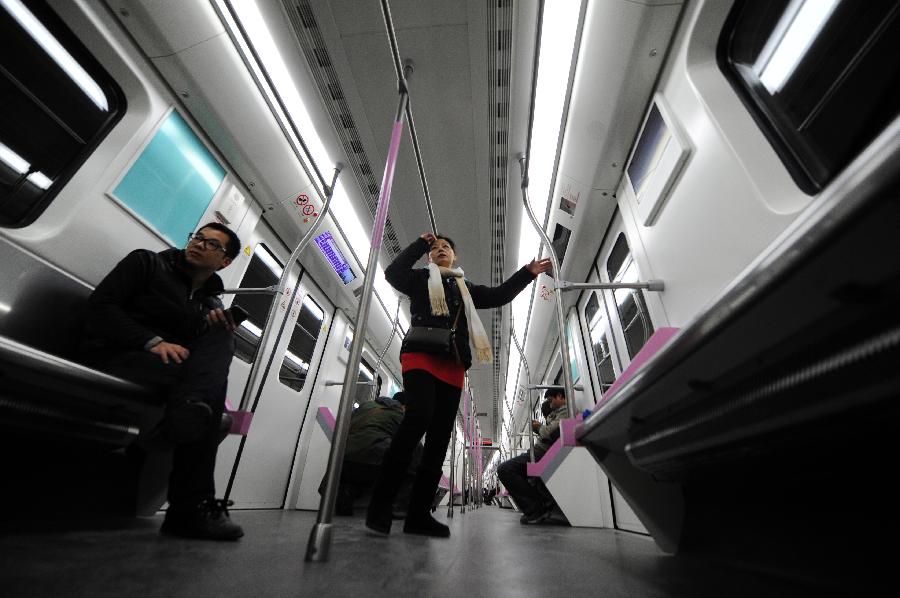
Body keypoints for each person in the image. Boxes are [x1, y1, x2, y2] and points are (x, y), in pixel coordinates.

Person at [366, 232, 552, 537]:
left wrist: (526, 274)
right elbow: (392, 274)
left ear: (455, 257)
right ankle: (380, 507)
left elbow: (498, 296)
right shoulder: (418, 280)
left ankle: (417, 516)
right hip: (420, 356)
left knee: (439, 439)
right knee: (417, 419)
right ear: (429, 256)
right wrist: (419, 244)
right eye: (436, 248)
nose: (441, 250)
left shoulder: (466, 288)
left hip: (452, 364)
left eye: (446, 248)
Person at [80, 223, 244, 541]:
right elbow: (100, 308)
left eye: (211, 243)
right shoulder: (147, 263)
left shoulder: (210, 304)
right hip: (122, 353)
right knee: (205, 401)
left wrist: (210, 328)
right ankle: (189, 508)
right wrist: (151, 341)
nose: (199, 243)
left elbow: (196, 353)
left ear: (225, 261)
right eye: (197, 237)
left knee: (221, 340)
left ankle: (187, 413)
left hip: (173, 373)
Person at [325, 390, 422, 517]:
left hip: (342, 460)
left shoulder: (365, 406)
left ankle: (347, 494)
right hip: (372, 463)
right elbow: (413, 444)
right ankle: (398, 505)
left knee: (363, 458)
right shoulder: (400, 415)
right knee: (413, 456)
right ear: (404, 406)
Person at [497, 388, 567, 524]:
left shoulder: (565, 411)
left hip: (542, 452)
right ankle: (539, 505)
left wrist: (538, 427)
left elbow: (550, 433)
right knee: (511, 470)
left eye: (550, 400)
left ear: (560, 396)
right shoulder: (557, 413)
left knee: (505, 470)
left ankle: (535, 509)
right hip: (539, 451)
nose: (550, 403)